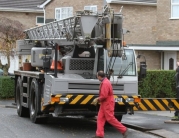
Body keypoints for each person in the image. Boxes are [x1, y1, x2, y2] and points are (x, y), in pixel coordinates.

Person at [92, 70, 128, 138]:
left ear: (99, 76)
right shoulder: (105, 81)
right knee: (100, 118)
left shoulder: (105, 83)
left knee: (110, 118)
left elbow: (104, 96)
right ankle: (99, 134)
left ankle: (124, 129)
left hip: (107, 103)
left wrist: (97, 99)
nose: (97, 78)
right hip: (105, 102)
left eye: (97, 76)